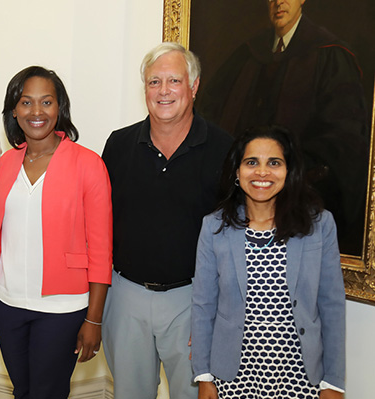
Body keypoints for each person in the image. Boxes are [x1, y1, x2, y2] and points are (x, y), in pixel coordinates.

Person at [101, 42, 233, 399]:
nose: (163, 91)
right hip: (125, 295)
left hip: (193, 299)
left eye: (173, 80)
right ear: (144, 88)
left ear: (193, 86)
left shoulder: (225, 149)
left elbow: (235, 236)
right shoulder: (118, 145)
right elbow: (98, 224)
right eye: (153, 81)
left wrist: (218, 311)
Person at [197, 0, 369, 254]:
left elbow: (343, 138)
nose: (279, 2)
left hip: (299, 204)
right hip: (240, 210)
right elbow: (211, 120)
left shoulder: (330, 55)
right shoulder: (248, 54)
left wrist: (294, 172)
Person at [0, 66, 112, 398]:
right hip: (7, 302)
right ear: (14, 109)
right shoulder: (6, 163)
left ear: (60, 108)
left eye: (46, 102)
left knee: (48, 393)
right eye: (26, 102)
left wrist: (94, 319)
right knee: (22, 391)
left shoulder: (88, 164)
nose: (36, 112)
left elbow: (101, 249)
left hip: (62, 308)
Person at [191, 125, 346, 399]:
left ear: (289, 171)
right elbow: (203, 306)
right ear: (237, 171)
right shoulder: (214, 227)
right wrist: (204, 375)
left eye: (274, 163)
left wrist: (333, 383)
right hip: (233, 376)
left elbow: (331, 305)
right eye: (252, 162)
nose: (262, 172)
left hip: (299, 376)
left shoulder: (319, 225)